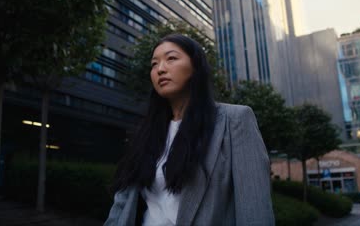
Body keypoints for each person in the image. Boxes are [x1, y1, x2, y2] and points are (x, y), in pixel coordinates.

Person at [104, 34, 274, 226]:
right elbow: (122, 205)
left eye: (171, 58)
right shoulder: (146, 133)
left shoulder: (234, 120)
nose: (160, 69)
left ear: (195, 67)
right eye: (154, 64)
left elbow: (254, 207)